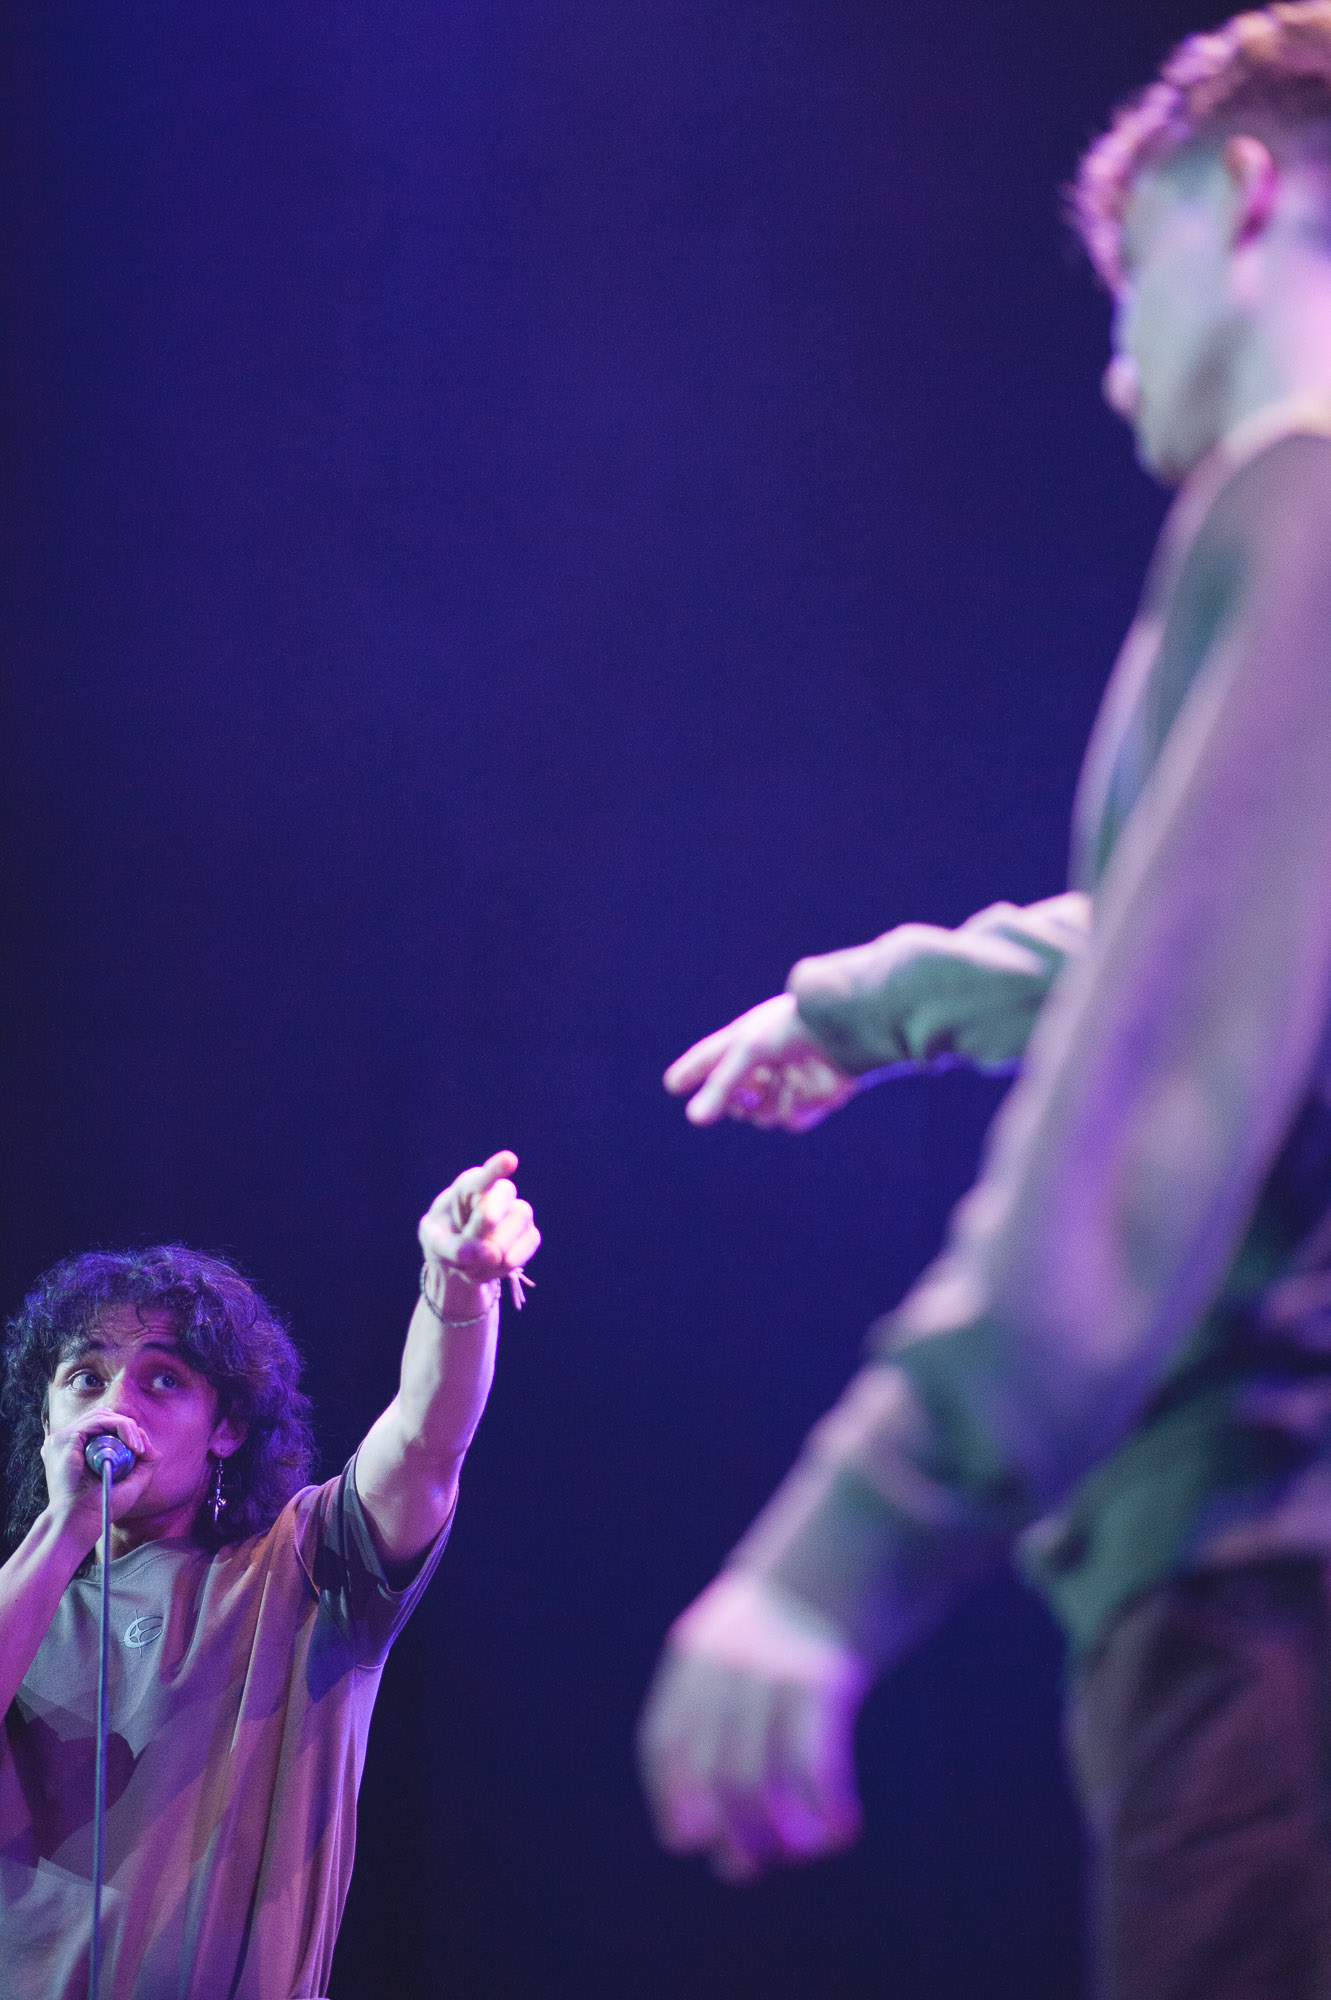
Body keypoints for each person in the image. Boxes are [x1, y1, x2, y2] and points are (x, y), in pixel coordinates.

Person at [638, 8, 1331, 1994]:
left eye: (1128, 283)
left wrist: (840, 1547)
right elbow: (1203, 942)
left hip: (1266, 1597)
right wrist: (878, 1002)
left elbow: (1160, 1074)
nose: (1115, 372)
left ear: (1244, 193)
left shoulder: (1290, 507)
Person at [0, 1150, 539, 2000]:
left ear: (226, 1429)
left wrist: (458, 1289)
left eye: (163, 1380)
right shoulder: (22, 1604)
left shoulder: (305, 1567)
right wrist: (65, 1526)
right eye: (86, 1378)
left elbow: (425, 1444)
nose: (115, 1407)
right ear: (47, 1421)